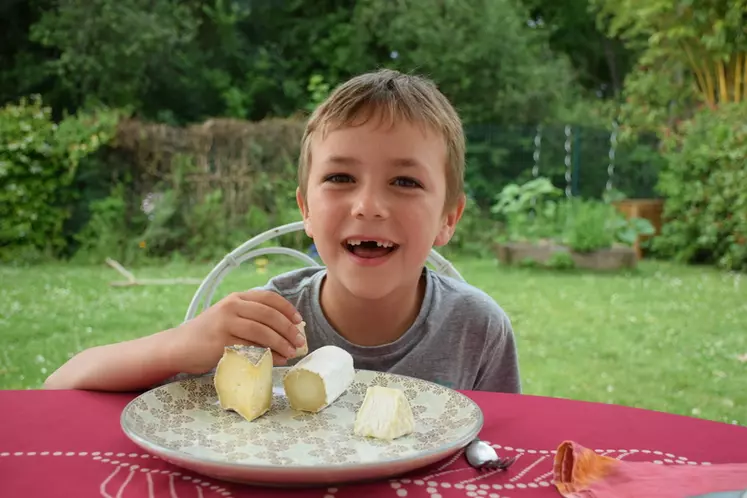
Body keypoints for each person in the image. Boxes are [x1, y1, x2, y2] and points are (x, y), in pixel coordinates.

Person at [43, 69, 521, 394]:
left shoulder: (477, 331)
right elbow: (60, 386)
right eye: (340, 178)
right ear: (305, 208)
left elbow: (500, 455)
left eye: (405, 181)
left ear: (448, 218)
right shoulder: (264, 323)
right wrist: (185, 342)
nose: (368, 206)